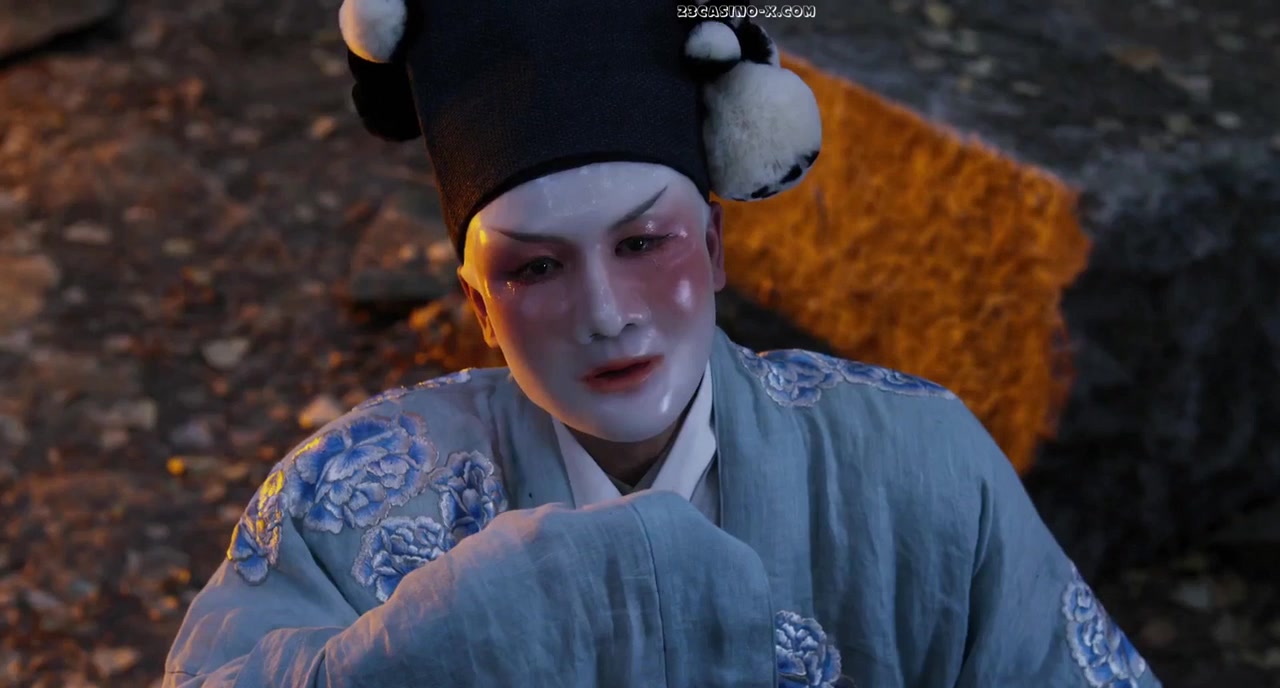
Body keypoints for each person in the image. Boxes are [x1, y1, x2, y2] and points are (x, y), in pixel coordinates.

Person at [163, 0, 1162, 686]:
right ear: (478, 306)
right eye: (535, 269)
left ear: (716, 246)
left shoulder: (921, 461)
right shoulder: (345, 498)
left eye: (643, 243)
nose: (605, 313)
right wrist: (450, 636)